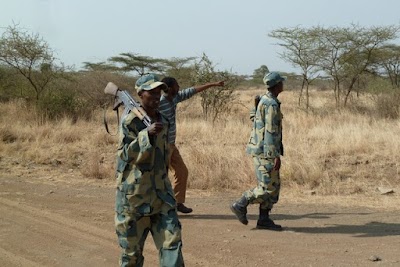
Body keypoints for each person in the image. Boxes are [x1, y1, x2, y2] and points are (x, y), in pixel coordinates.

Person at [114, 73, 184, 266]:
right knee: (132, 257)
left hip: (162, 197)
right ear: (140, 94)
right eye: (151, 93)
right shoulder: (130, 122)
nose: (156, 97)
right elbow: (125, 156)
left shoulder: (163, 121)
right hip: (135, 200)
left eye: (158, 93)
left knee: (173, 248)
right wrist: (146, 136)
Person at [159, 77, 225, 214]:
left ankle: (178, 203)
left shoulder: (174, 98)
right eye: (177, 85)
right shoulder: (160, 103)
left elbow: (192, 91)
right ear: (170, 88)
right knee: (161, 177)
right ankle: (160, 208)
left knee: (182, 171)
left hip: (171, 145)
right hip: (161, 146)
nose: (179, 87)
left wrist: (212, 84)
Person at [230, 72, 286, 230]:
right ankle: (241, 203)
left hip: (260, 149)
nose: (283, 84)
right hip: (265, 152)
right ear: (276, 85)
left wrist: (255, 107)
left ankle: (264, 218)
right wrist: (274, 155)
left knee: (274, 186)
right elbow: (270, 131)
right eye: (281, 82)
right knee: (268, 186)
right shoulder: (272, 104)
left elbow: (254, 119)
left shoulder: (264, 100)